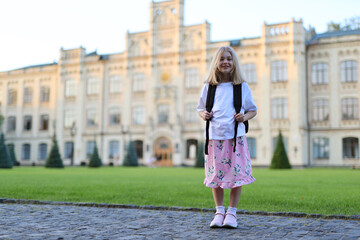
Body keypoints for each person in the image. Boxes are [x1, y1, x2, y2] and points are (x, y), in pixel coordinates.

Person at [197, 46, 257, 228]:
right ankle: (219, 211)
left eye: (229, 59)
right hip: (215, 137)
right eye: (222, 59)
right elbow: (200, 108)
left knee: (237, 174)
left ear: (234, 63)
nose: (225, 62)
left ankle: (232, 212)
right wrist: (204, 115)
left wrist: (244, 117)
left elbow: (252, 110)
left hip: (235, 138)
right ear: (216, 63)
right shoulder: (209, 87)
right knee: (216, 175)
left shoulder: (241, 87)